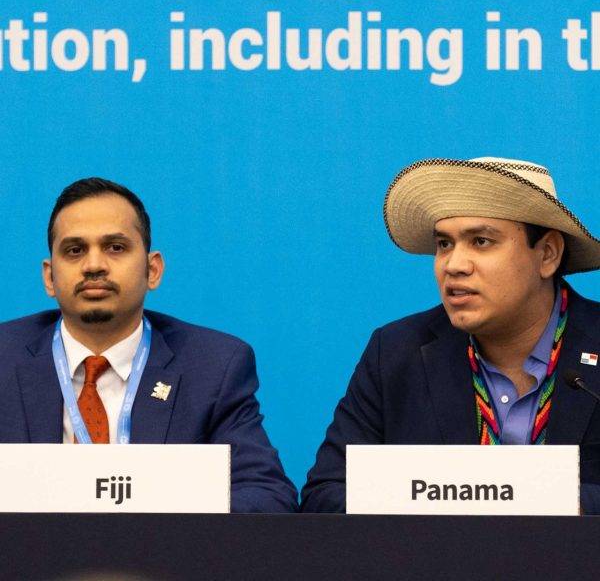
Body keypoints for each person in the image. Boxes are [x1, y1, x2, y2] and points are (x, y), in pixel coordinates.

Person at [301, 157, 600, 514]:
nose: (454, 265)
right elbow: (325, 496)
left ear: (547, 254)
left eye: (481, 241)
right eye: (444, 244)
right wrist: (424, 504)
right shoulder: (396, 352)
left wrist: (545, 501)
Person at [0, 178, 297, 513]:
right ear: (49, 277)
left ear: (152, 270)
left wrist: (164, 526)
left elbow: (267, 495)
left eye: (115, 247)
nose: (94, 265)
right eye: (74, 250)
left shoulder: (213, 367)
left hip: (165, 546)